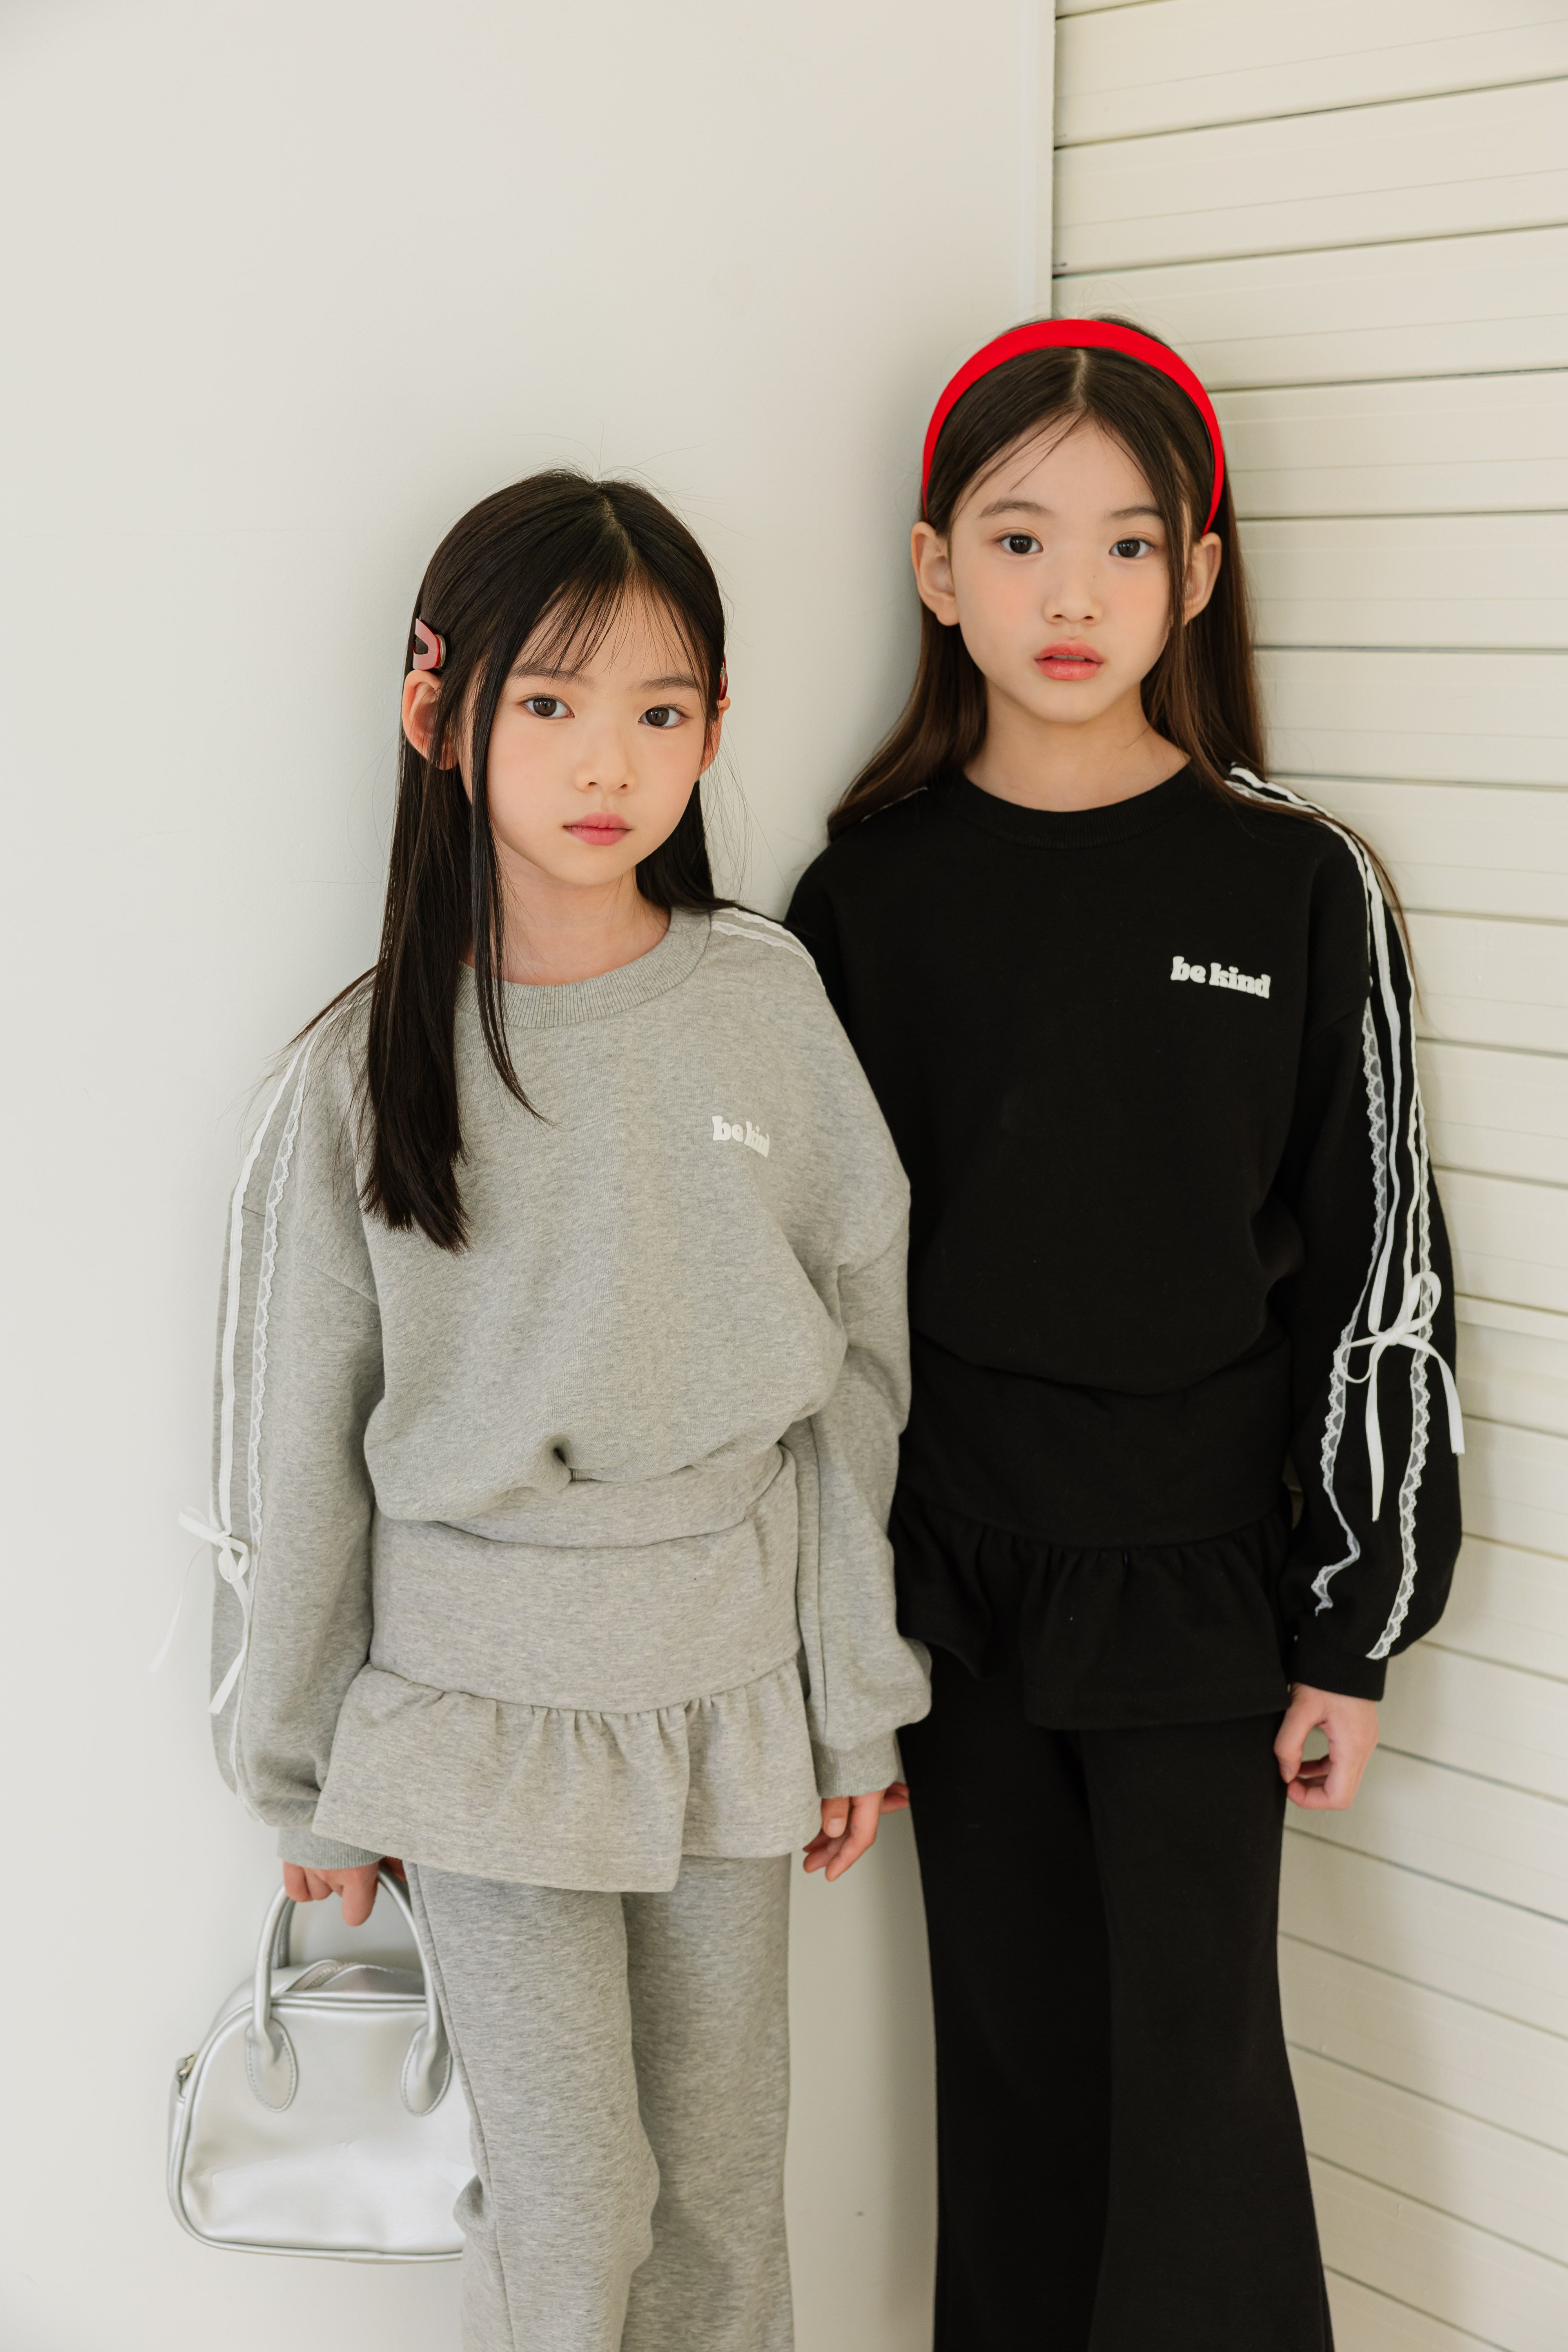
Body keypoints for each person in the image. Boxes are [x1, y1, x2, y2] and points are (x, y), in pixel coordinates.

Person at [190, 470, 929, 2352]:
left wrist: (854, 1696)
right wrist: (300, 1767)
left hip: (722, 1686)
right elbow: (300, 1444)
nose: (610, 760)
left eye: (661, 709)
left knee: (724, 2195)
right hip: (480, 1712)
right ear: (436, 709)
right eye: (551, 700)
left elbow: (857, 1376)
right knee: (576, 2198)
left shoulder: (766, 1003)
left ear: (715, 726)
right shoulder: (366, 1064)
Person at [785, 318, 1462, 2352]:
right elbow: (813, 1307)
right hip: (958, 1588)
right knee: (1012, 2110)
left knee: (1200, 2116)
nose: (1069, 594)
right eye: (1017, 539)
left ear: (1197, 573)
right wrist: (835, 1643)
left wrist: (1355, 1620)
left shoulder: (1295, 883)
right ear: (936, 571)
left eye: (1126, 543)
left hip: (1206, 1592)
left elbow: (1377, 1269)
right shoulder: (865, 901)